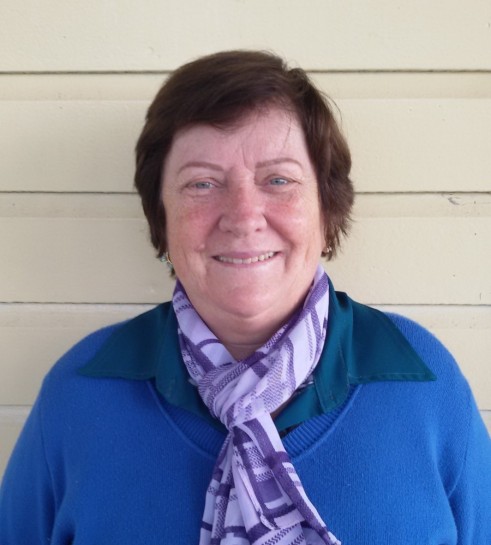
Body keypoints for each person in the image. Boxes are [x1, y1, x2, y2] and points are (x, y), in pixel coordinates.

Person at [1, 50, 490, 545]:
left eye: (278, 180)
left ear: (326, 211)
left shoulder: (422, 378)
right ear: (161, 219)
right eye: (202, 183)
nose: (243, 216)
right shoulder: (81, 390)